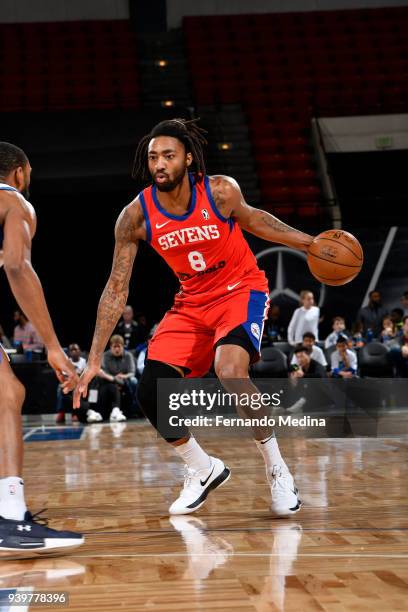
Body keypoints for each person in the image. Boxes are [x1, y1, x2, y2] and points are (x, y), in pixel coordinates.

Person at [75, 117, 317, 518]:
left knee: (231, 369)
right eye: (153, 157)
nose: (160, 164)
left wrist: (308, 243)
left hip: (240, 290)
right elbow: (117, 287)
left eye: (168, 156)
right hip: (192, 302)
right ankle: (202, 469)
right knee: (149, 389)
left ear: (187, 158)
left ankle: (277, 468)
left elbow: (256, 219)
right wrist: (95, 357)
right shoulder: (135, 216)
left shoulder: (219, 191)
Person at [0, 141, 83, 553]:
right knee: (6, 394)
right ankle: (10, 518)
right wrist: (52, 345)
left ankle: (9, 512)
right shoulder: (15, 203)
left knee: (7, 391)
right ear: (19, 172)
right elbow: (17, 264)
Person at [56, 344, 87, 424]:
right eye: (71, 350)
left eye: (75, 350)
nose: (74, 352)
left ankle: (75, 414)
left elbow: (85, 375)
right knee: (60, 389)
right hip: (69, 382)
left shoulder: (83, 361)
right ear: (69, 353)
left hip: (80, 384)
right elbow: (64, 376)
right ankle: (61, 412)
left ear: (79, 351)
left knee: (76, 391)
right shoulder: (67, 362)